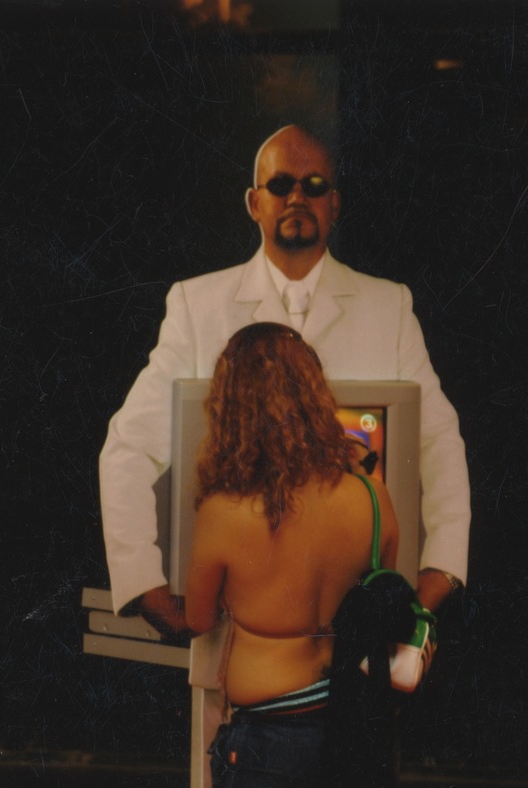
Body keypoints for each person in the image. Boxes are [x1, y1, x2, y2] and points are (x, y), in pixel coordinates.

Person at [99, 124, 469, 631]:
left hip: (356, 623)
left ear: (334, 204)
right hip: (235, 631)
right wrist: (145, 584)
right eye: (280, 185)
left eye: (314, 185)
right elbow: (128, 448)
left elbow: (440, 444)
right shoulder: (197, 306)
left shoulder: (389, 308)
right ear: (254, 202)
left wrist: (441, 572)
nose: (297, 197)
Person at [183, 322, 400, 788]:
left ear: (233, 409)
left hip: (267, 739)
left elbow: (198, 619)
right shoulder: (373, 496)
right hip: (351, 729)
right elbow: (380, 593)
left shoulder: (224, 512)